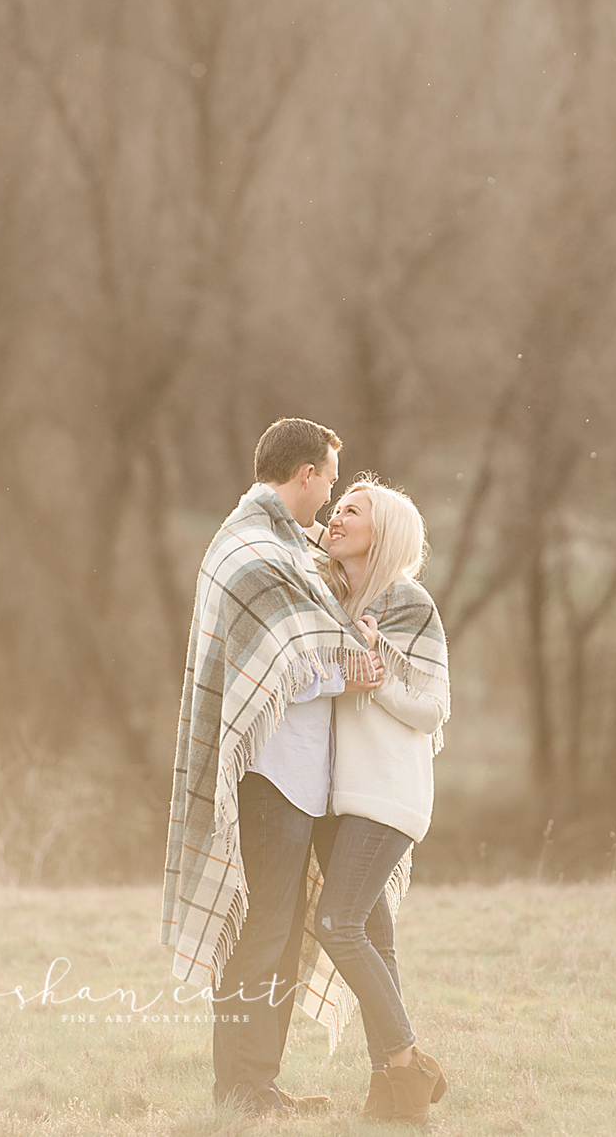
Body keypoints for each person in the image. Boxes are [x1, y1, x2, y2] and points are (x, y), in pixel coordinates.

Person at [160, 418, 384, 1118]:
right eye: (329, 482)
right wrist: (347, 675)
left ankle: (257, 1083)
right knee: (263, 931)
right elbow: (277, 662)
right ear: (308, 473)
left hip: (295, 775)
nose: (329, 502)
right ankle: (240, 1091)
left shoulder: (279, 545)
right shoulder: (253, 549)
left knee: (284, 930)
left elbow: (303, 631)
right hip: (268, 776)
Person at [311, 477, 450, 1125]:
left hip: (386, 793)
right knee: (374, 938)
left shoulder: (410, 603)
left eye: (352, 511)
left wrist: (376, 667)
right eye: (336, 508)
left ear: (384, 530)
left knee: (337, 923)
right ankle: (388, 1094)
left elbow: (433, 707)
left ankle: (407, 1062)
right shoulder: (334, 597)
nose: (336, 516)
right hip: (338, 795)